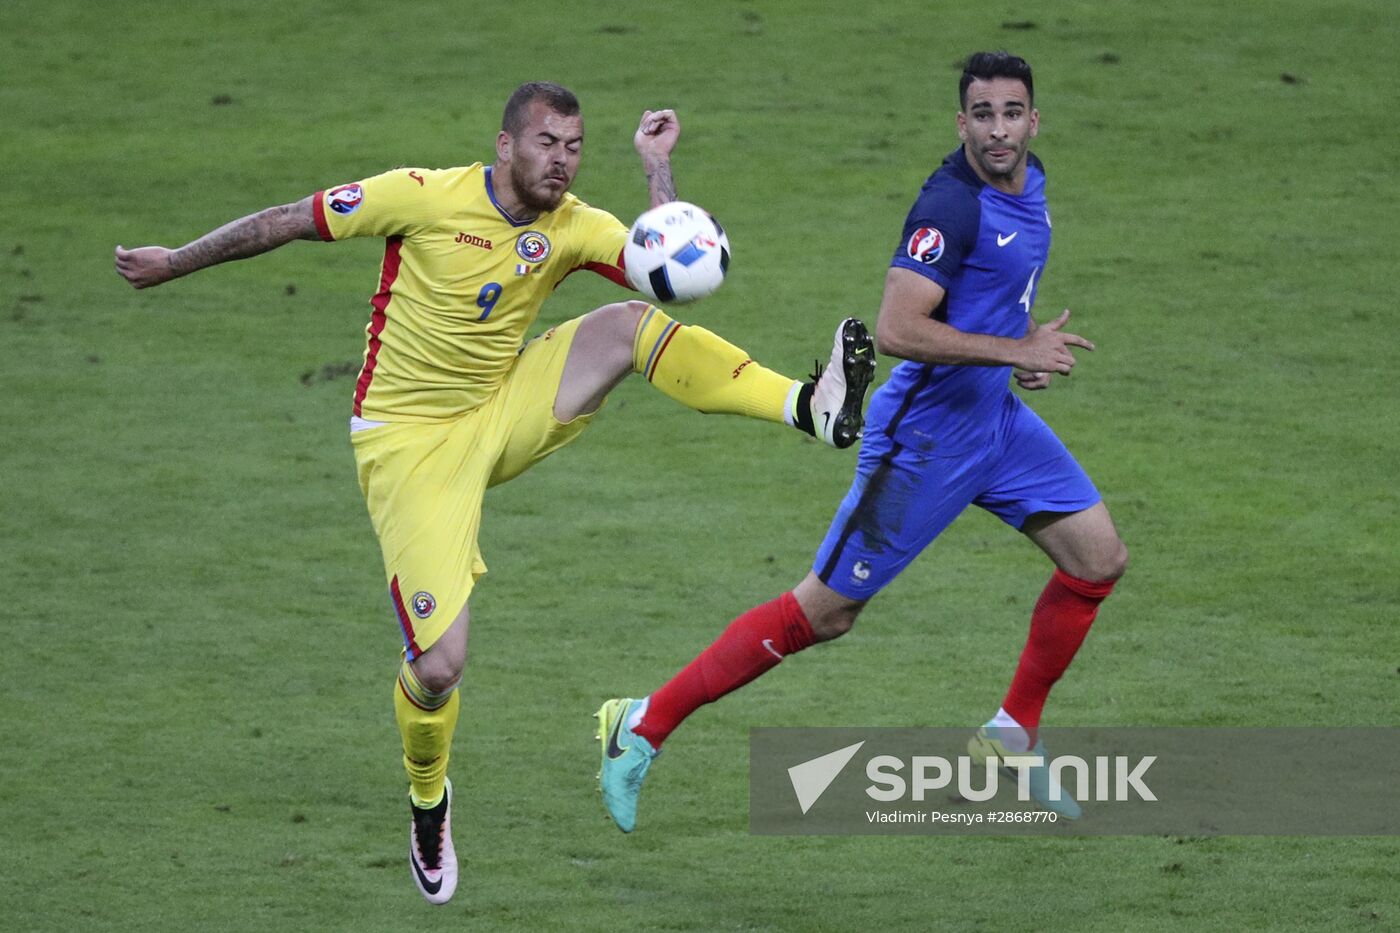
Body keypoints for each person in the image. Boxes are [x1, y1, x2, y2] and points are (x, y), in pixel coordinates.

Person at [115, 81, 877, 905]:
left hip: (501, 404)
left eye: (576, 146)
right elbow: (291, 219)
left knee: (629, 325)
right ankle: (428, 797)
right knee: (439, 666)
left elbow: (670, 264)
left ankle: (813, 407)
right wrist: (177, 259)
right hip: (407, 445)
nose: (563, 161)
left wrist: (658, 169)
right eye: (549, 143)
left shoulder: (573, 223)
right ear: (506, 144)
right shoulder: (423, 196)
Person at [596, 51, 1129, 832]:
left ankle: (1012, 733)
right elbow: (897, 328)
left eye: (1012, 113)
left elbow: (990, 295)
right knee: (825, 612)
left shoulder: (1033, 181)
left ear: (1033, 119)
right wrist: (1016, 353)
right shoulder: (949, 207)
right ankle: (641, 723)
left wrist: (1021, 340)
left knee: (1098, 559)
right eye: (983, 115)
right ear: (962, 123)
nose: (999, 130)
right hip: (925, 440)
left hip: (996, 423)